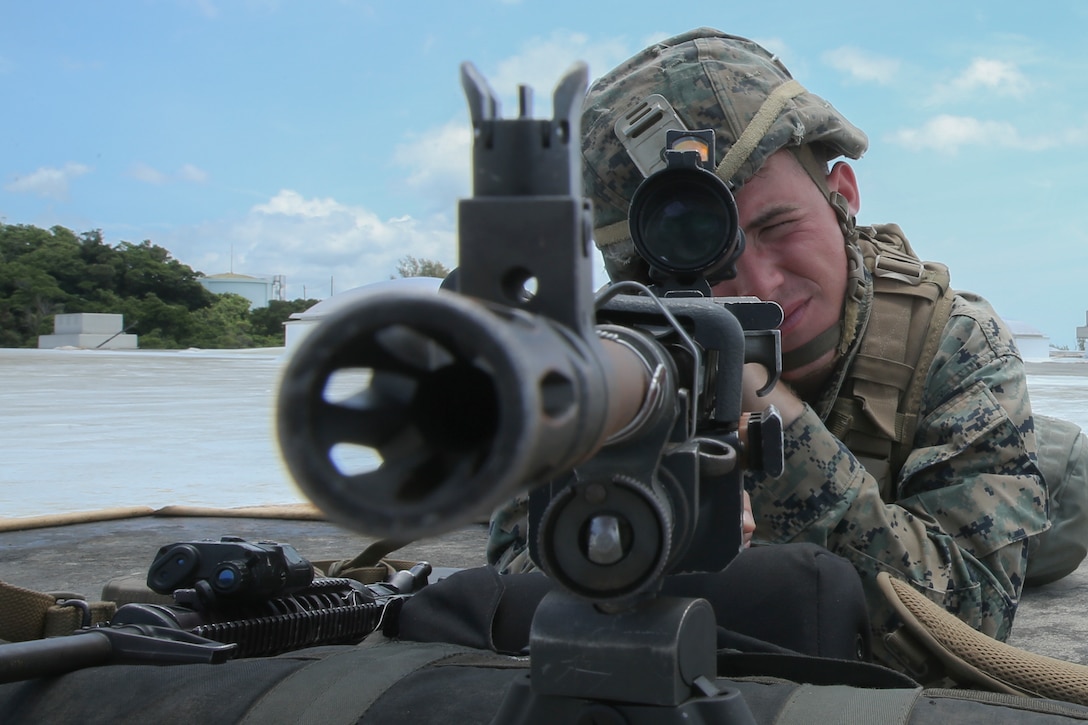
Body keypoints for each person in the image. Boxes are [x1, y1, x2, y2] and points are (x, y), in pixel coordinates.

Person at [487, 27, 1049, 670]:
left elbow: (970, 624)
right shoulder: (614, 358)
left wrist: (764, 413)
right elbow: (518, 578)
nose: (761, 285)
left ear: (843, 195)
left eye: (778, 226)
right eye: (706, 259)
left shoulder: (951, 342)